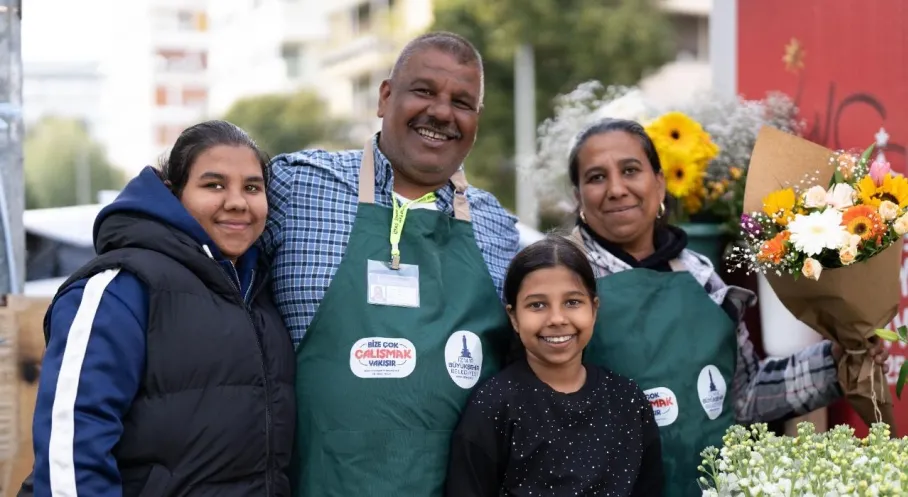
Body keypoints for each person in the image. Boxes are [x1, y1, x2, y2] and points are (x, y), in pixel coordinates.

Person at [567, 118, 891, 496]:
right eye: (596, 177)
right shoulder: (565, 279)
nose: (616, 189)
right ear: (579, 197)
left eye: (630, 170)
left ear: (660, 183)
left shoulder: (699, 275)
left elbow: (745, 394)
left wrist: (837, 360)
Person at [261, 32, 520, 495]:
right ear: (385, 97)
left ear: (476, 121)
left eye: (462, 102)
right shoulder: (296, 187)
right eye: (423, 91)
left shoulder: (497, 226)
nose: (441, 112)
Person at [28, 120, 296, 496]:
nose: (237, 201)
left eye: (252, 187)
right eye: (214, 184)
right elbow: (71, 448)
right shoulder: (121, 286)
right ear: (175, 195)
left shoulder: (263, 292)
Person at [445, 235, 663, 497]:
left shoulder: (628, 400)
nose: (557, 319)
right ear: (513, 317)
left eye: (572, 302)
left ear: (594, 309)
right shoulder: (493, 405)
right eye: (537, 305)